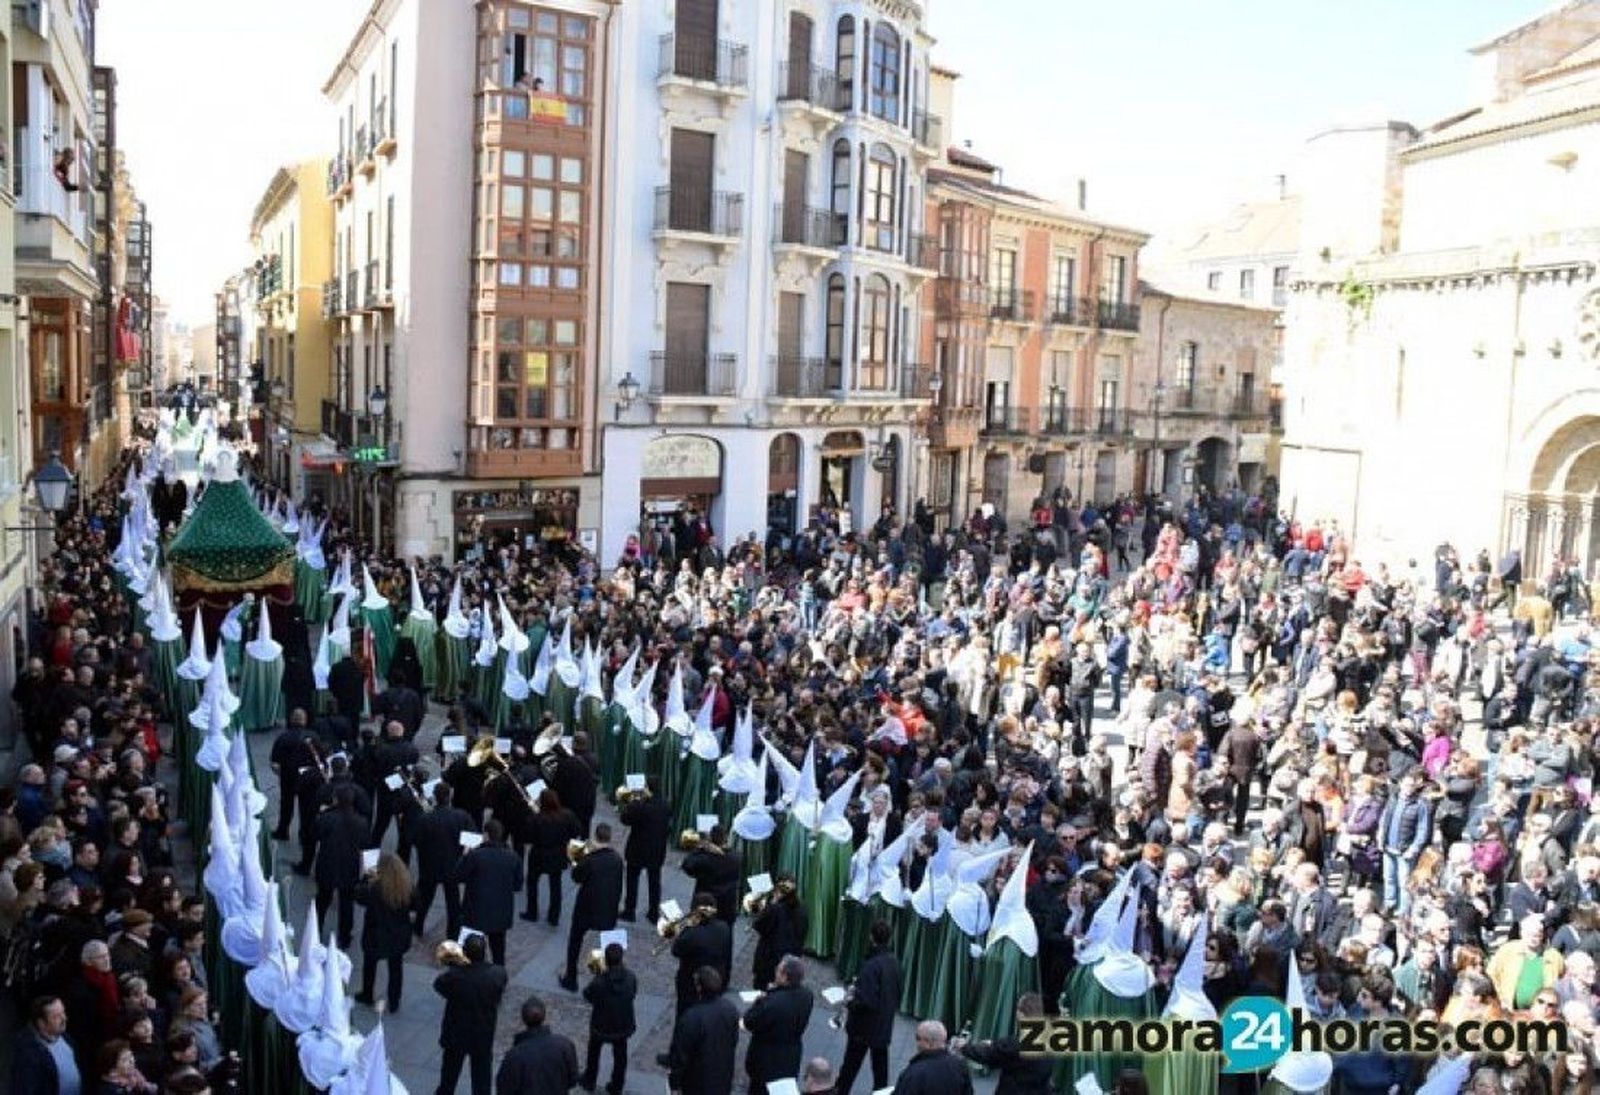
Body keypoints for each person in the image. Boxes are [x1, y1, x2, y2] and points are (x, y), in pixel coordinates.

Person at [433, 932, 509, 1095]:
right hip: (482, 1032)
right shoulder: (497, 974)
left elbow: (438, 985)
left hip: (457, 1031)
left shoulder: (455, 976)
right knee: (481, 1078)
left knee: (449, 1076)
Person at [837, 921, 901, 1095]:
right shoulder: (893, 961)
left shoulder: (871, 965)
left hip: (863, 1029)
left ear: (871, 937)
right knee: (880, 1073)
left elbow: (866, 1001)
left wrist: (850, 1001)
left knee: (849, 1068)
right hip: (883, 1025)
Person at [560, 823, 623, 992]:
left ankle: (571, 978)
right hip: (608, 907)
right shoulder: (617, 860)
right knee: (608, 946)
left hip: (586, 907)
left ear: (596, 837)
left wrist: (577, 860)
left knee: (575, 941)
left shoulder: (590, 859)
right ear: (609, 838)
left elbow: (576, 877)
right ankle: (608, 981)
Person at [742, 955, 814, 1095]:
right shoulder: (807, 995)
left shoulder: (772, 1004)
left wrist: (760, 1000)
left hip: (765, 1060)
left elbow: (749, 1021)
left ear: (785, 977)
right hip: (790, 1057)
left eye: (778, 970)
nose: (775, 971)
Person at [953, 994, 1052, 1095]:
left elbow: (989, 1055)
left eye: (1018, 1008)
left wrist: (964, 1047)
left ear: (1022, 1015)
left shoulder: (1016, 1045)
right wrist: (995, 1044)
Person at [456, 819, 523, 966]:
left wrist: (465, 854)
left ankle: (467, 976)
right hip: (501, 912)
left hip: (475, 911)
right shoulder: (513, 857)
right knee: (498, 951)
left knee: (468, 949)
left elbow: (459, 875)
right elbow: (517, 886)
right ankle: (499, 977)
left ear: (486, 835)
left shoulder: (476, 855)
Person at [412, 782, 475, 938]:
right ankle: (452, 934)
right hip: (452, 865)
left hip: (428, 864)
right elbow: (472, 840)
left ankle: (418, 926)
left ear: (435, 797)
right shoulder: (461, 816)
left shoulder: (425, 818)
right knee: (453, 902)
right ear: (449, 796)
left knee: (424, 898)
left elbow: (414, 839)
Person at [355, 851, 414, 1013]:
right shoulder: (406, 887)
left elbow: (359, 896)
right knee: (396, 968)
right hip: (399, 934)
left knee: (370, 964)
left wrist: (367, 876)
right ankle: (394, 1001)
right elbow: (416, 904)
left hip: (376, 932)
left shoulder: (375, 888)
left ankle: (367, 994)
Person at [667, 967, 740, 1095]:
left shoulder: (692, 1017)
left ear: (699, 987)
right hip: (722, 1077)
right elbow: (733, 1041)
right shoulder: (730, 1009)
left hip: (697, 1082)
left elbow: (681, 1056)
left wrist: (674, 1084)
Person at [314, 783, 369, 949]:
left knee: (322, 900)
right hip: (349, 868)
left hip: (327, 864)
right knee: (346, 904)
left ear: (336, 799)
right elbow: (366, 847)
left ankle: (315, 930)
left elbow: (314, 834)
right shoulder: (361, 822)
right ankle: (344, 937)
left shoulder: (327, 817)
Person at [580, 943, 637, 1095]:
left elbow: (588, 995)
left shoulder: (599, 982)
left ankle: (590, 1080)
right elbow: (633, 994)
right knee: (620, 1056)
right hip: (622, 1025)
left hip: (601, 1024)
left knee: (594, 1052)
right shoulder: (631, 977)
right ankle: (617, 1086)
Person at [493, 994, 578, 1095]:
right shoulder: (565, 1045)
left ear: (523, 1019)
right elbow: (573, 1080)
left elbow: (504, 1089)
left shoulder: (514, 1056)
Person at [670, 893, 733, 1023]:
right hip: (716, 980)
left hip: (691, 986)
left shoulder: (692, 933)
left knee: (684, 1020)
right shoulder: (724, 928)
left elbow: (676, 950)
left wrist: (685, 928)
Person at [524, 788, 580, 926]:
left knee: (532, 883)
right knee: (555, 885)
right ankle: (554, 917)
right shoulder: (567, 815)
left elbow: (527, 837)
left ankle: (532, 912)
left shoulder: (537, 818)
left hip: (538, 854)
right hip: (558, 853)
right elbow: (577, 831)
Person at [618, 777, 670, 922]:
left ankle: (630, 910)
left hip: (638, 849)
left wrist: (633, 802)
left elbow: (625, 818)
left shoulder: (640, 806)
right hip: (657, 849)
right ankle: (653, 913)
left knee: (632, 880)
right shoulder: (665, 805)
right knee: (654, 882)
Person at [10, 995, 81, 1095]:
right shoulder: (28, 1056)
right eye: (56, 1016)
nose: (64, 1019)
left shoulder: (65, 1037)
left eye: (63, 1012)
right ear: (41, 1023)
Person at [750, 875, 807, 990]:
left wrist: (770, 905)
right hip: (790, 960)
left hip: (769, 961)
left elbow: (759, 925)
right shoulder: (802, 910)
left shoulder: (775, 909)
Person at [891, 1022, 972, 1095]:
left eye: (918, 1038)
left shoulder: (914, 1073)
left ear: (929, 1043)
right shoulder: (960, 1065)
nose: (917, 1043)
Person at [682, 827, 742, 925]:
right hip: (727, 908)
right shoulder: (736, 858)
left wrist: (700, 849)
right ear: (726, 839)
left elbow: (687, 865)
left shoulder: (704, 858)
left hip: (705, 905)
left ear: (710, 839)